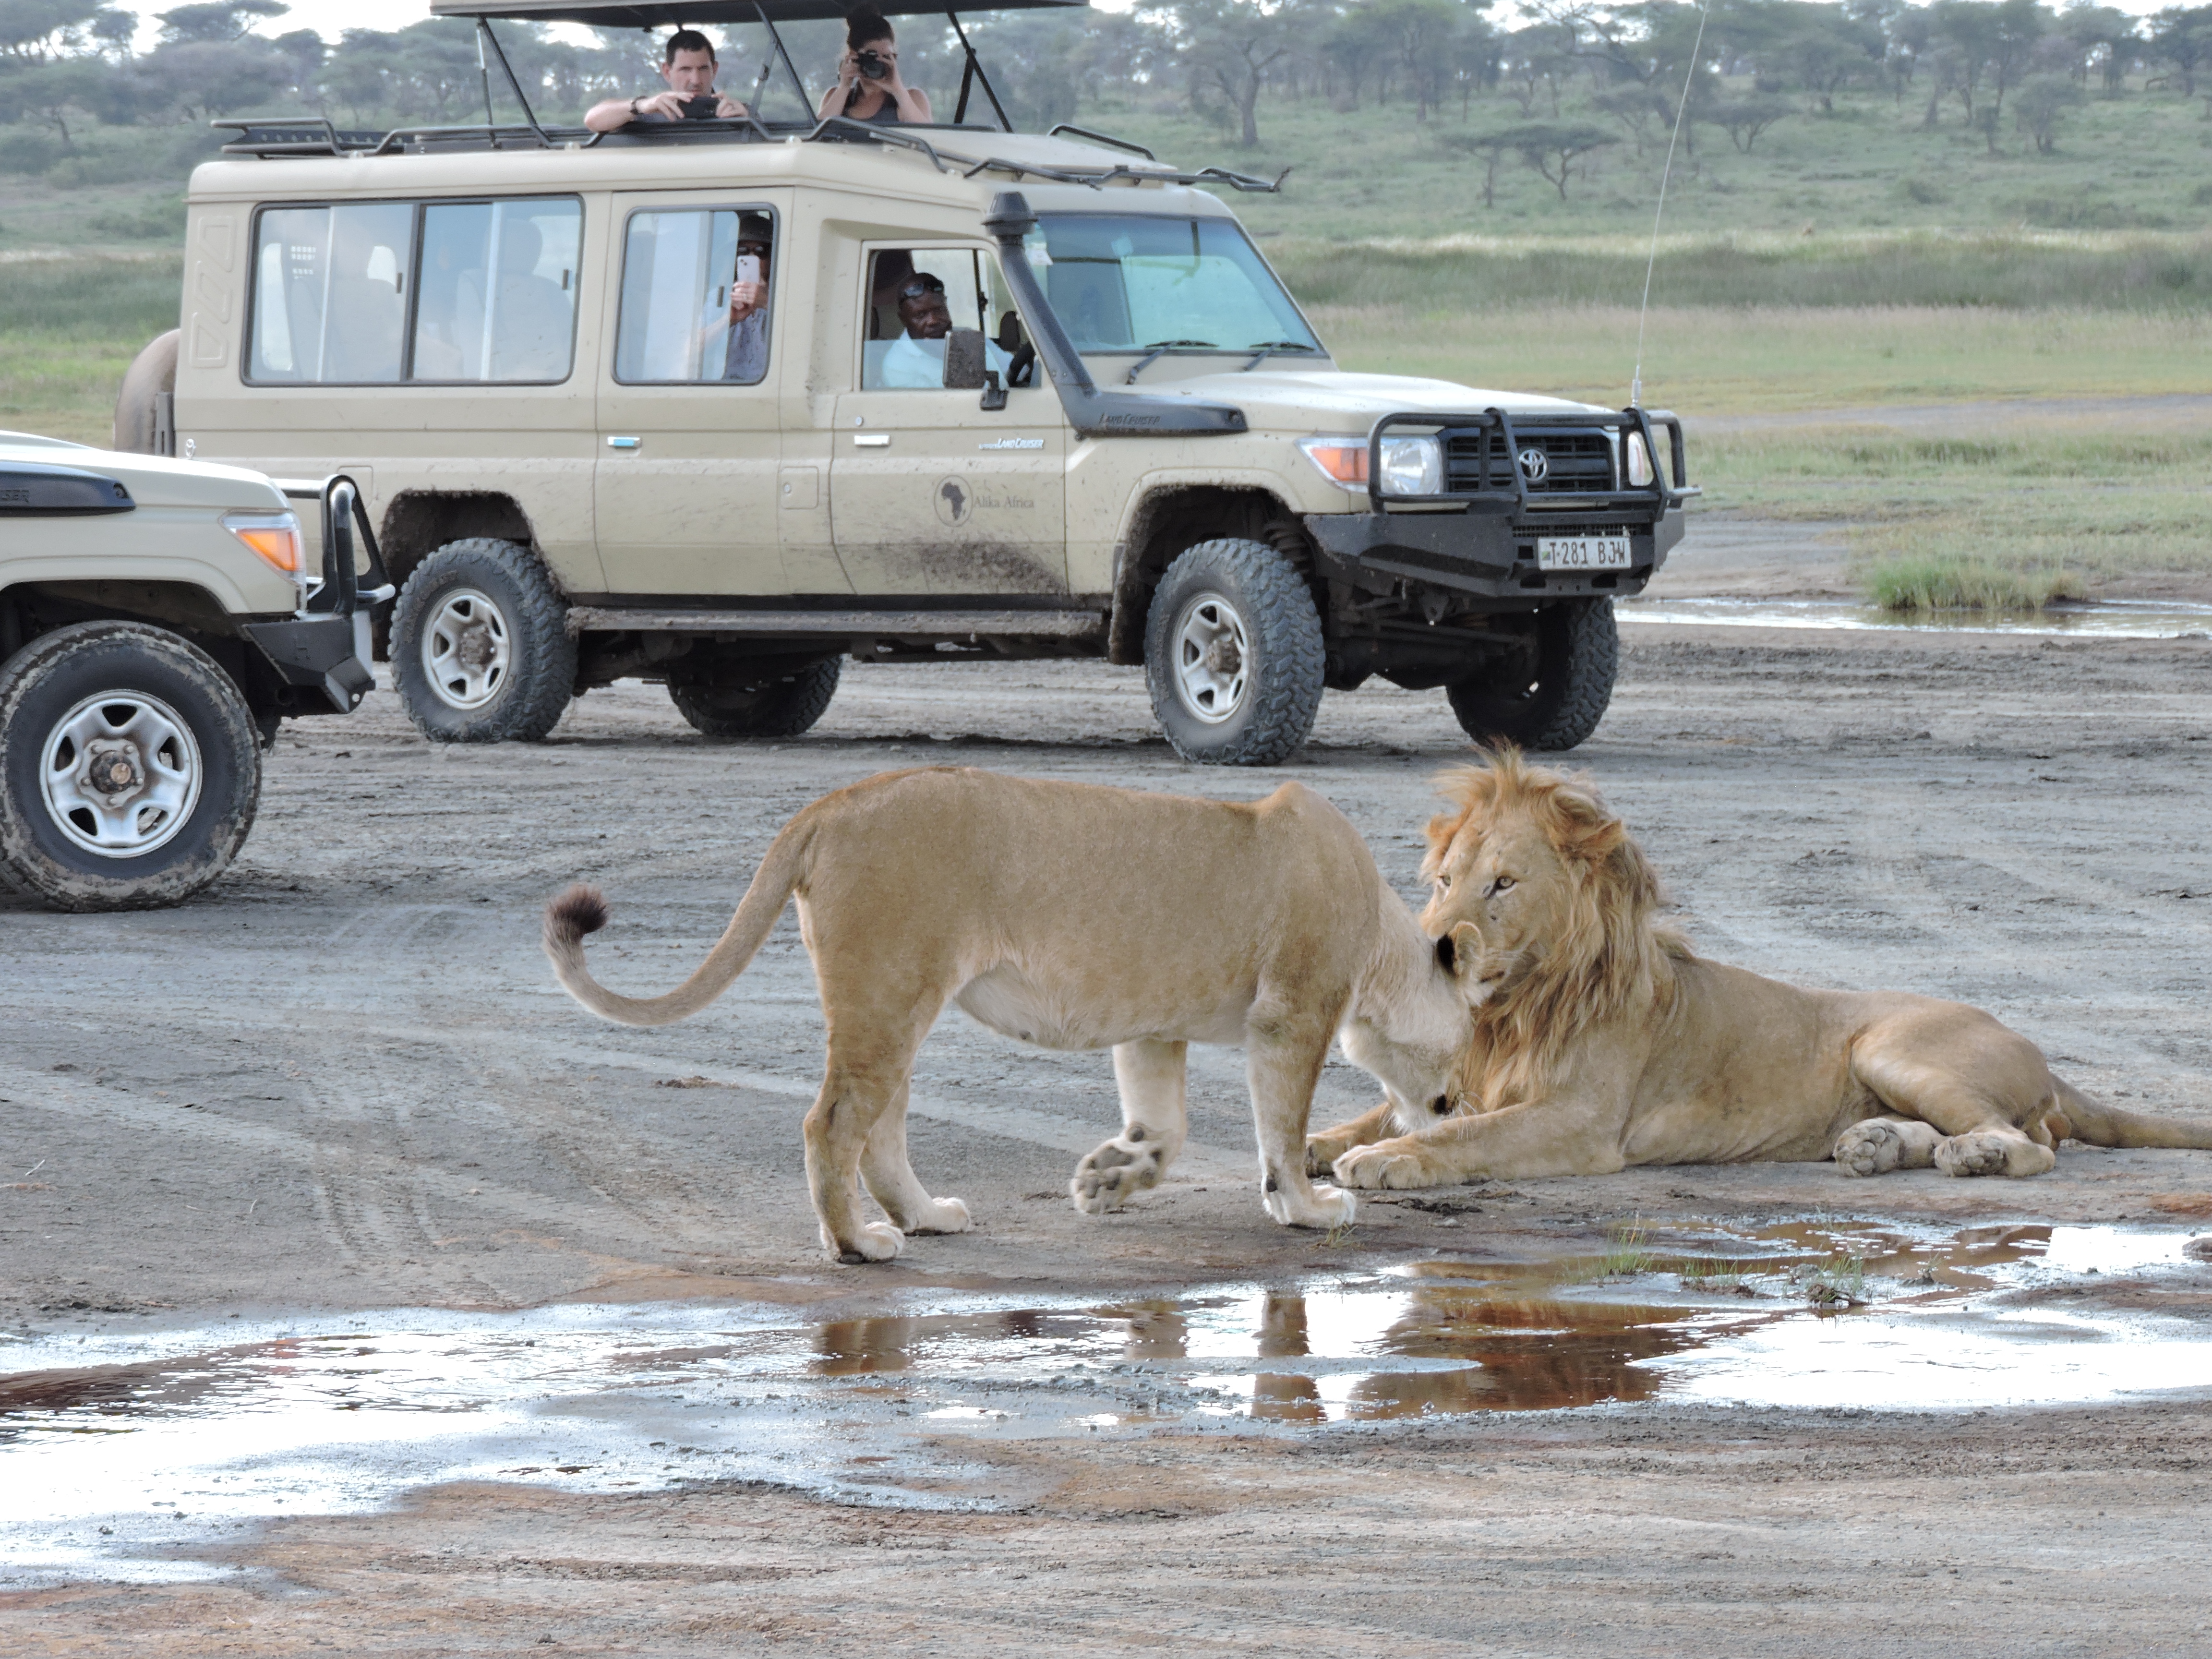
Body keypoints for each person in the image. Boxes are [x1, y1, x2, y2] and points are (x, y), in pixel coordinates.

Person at [585, 29, 745, 133]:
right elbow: (592, 120)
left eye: (703, 69)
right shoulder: (648, 113)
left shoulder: (736, 112)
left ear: (714, 70)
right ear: (667, 72)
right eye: (685, 70)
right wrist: (640, 106)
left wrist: (746, 123)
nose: (696, 80)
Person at [875, 269, 1011, 389]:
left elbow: (1012, 370)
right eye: (921, 315)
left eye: (939, 310)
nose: (933, 320)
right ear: (903, 319)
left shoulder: (969, 337)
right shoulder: (898, 364)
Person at [817, 4, 930, 125]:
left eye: (887, 57)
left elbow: (929, 138)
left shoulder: (913, 98)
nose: (879, 62)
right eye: (872, 56)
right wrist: (844, 86)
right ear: (854, 56)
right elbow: (819, 135)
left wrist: (898, 91)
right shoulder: (836, 96)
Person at [702, 212, 773, 384]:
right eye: (742, 251)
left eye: (761, 251)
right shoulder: (719, 296)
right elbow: (689, 352)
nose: (751, 257)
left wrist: (767, 302)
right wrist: (728, 319)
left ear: (773, 256)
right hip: (729, 390)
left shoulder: (786, 296)